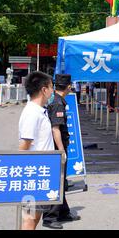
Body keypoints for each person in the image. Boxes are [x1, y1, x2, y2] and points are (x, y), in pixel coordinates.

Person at [43, 74, 81, 229]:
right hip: (57, 147)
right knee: (57, 180)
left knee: (61, 179)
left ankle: (63, 211)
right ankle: (50, 217)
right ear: (69, 87)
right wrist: (61, 150)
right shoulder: (58, 103)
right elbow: (55, 128)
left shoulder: (54, 100)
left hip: (56, 146)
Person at [18, 71, 55, 230]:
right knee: (29, 218)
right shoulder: (32, 113)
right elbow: (25, 144)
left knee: (36, 216)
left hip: (43, 171)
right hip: (34, 171)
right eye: (51, 87)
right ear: (44, 89)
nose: (53, 91)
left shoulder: (40, 110)